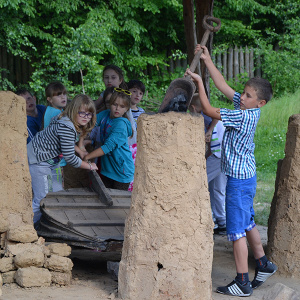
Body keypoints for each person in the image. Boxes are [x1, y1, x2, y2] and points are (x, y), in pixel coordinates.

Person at [185, 45, 277, 297]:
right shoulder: (249, 108)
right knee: (247, 223)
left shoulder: (242, 116)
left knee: (236, 232)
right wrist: (207, 60)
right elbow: (224, 86)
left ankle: (242, 282)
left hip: (238, 181)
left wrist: (198, 83)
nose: (241, 97)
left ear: (260, 102)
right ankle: (264, 265)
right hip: (247, 176)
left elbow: (208, 110)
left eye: (247, 96)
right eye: (244, 93)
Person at [27, 94, 97, 224]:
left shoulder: (65, 118)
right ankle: (29, 226)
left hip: (51, 160)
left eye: (89, 114)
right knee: (41, 197)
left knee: (58, 193)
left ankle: (52, 222)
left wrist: (79, 151)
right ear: (74, 110)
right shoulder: (67, 126)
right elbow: (70, 158)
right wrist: (89, 166)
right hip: (39, 160)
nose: (85, 118)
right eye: (82, 113)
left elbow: (65, 142)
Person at [189, 94, 227, 234]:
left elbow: (211, 144)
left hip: (218, 155)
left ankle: (209, 221)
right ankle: (221, 221)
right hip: (224, 154)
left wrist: (204, 158)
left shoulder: (204, 114)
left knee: (200, 183)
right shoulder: (208, 114)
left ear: (193, 108)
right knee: (217, 188)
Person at [84, 88, 135, 191]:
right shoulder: (106, 114)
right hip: (108, 169)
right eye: (114, 104)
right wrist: (81, 142)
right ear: (110, 104)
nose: (117, 109)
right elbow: (89, 123)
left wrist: (88, 156)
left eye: (122, 106)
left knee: (117, 201)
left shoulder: (121, 125)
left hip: (121, 171)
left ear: (127, 109)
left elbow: (107, 147)